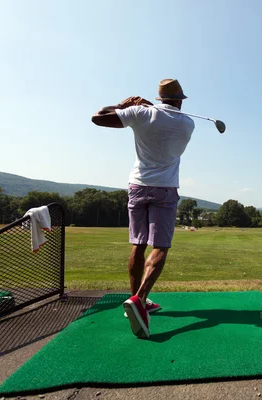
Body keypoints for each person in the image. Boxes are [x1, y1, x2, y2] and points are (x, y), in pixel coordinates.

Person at [91, 79, 195, 338]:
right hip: (166, 188)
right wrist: (145, 107)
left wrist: (124, 105)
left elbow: (98, 117)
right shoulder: (188, 123)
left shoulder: (140, 113)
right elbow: (164, 119)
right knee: (160, 246)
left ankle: (135, 300)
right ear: (180, 100)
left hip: (137, 186)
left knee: (138, 244)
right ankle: (140, 299)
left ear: (159, 99)